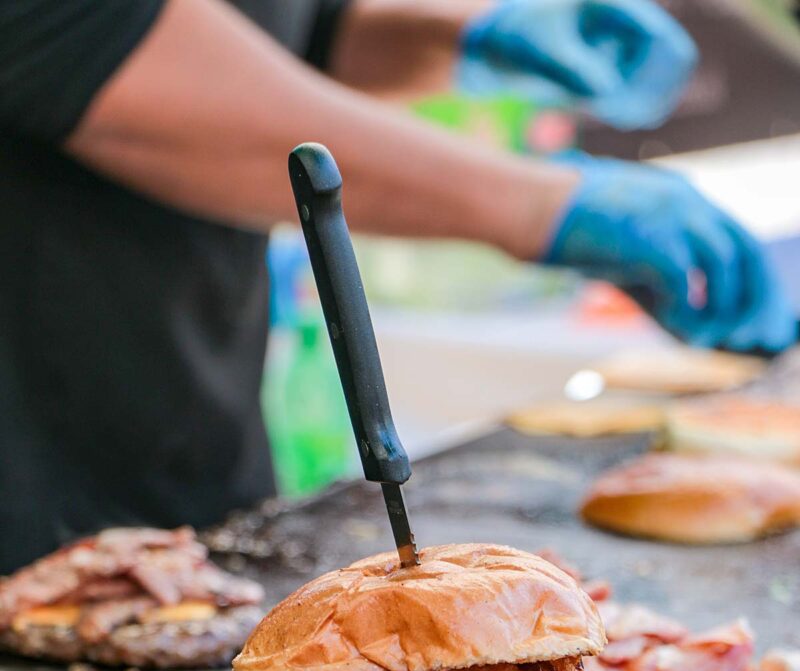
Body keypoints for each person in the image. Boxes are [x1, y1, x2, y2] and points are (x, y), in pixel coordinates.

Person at [0, 0, 793, 573]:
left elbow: (277, 29)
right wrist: (535, 203)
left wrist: (468, 35)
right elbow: (100, 55)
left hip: (170, 428)